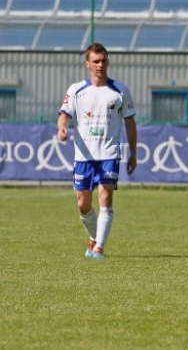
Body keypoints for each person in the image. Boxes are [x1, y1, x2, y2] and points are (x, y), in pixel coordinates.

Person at [57, 43, 137, 259]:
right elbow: (64, 113)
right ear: (88, 64)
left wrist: (133, 153)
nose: (101, 65)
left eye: (104, 60)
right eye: (96, 61)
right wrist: (62, 126)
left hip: (109, 154)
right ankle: (94, 238)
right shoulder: (76, 90)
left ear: (108, 62)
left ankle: (100, 247)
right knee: (83, 205)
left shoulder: (120, 91)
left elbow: (130, 123)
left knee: (105, 197)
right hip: (84, 156)